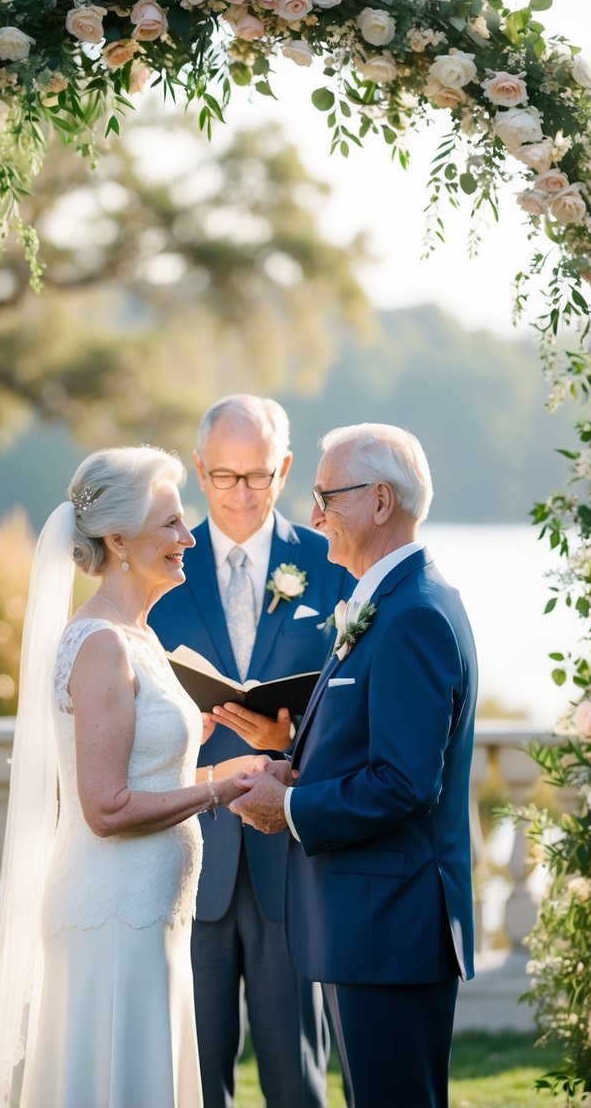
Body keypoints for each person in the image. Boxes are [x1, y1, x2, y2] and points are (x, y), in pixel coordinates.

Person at [0, 446, 268, 1108]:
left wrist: (213, 748)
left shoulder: (139, 636)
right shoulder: (101, 643)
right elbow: (106, 808)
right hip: (110, 913)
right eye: (169, 524)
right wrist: (218, 787)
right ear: (117, 539)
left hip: (151, 911)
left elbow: (143, 766)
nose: (188, 538)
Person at [232, 422, 478, 1108]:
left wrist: (285, 808)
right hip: (371, 926)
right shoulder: (394, 603)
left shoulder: (412, 616)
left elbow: (404, 783)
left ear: (378, 502)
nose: (312, 517)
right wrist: (289, 757)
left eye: (325, 497)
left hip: (389, 931)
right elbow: (375, 749)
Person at [149, 395, 349, 1108]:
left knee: (296, 1077)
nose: (240, 494)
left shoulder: (329, 566)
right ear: (199, 472)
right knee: (193, 1078)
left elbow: (357, 709)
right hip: (183, 854)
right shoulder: (160, 565)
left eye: (257, 476)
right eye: (224, 476)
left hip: (290, 860)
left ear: (285, 469)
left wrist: (289, 738)